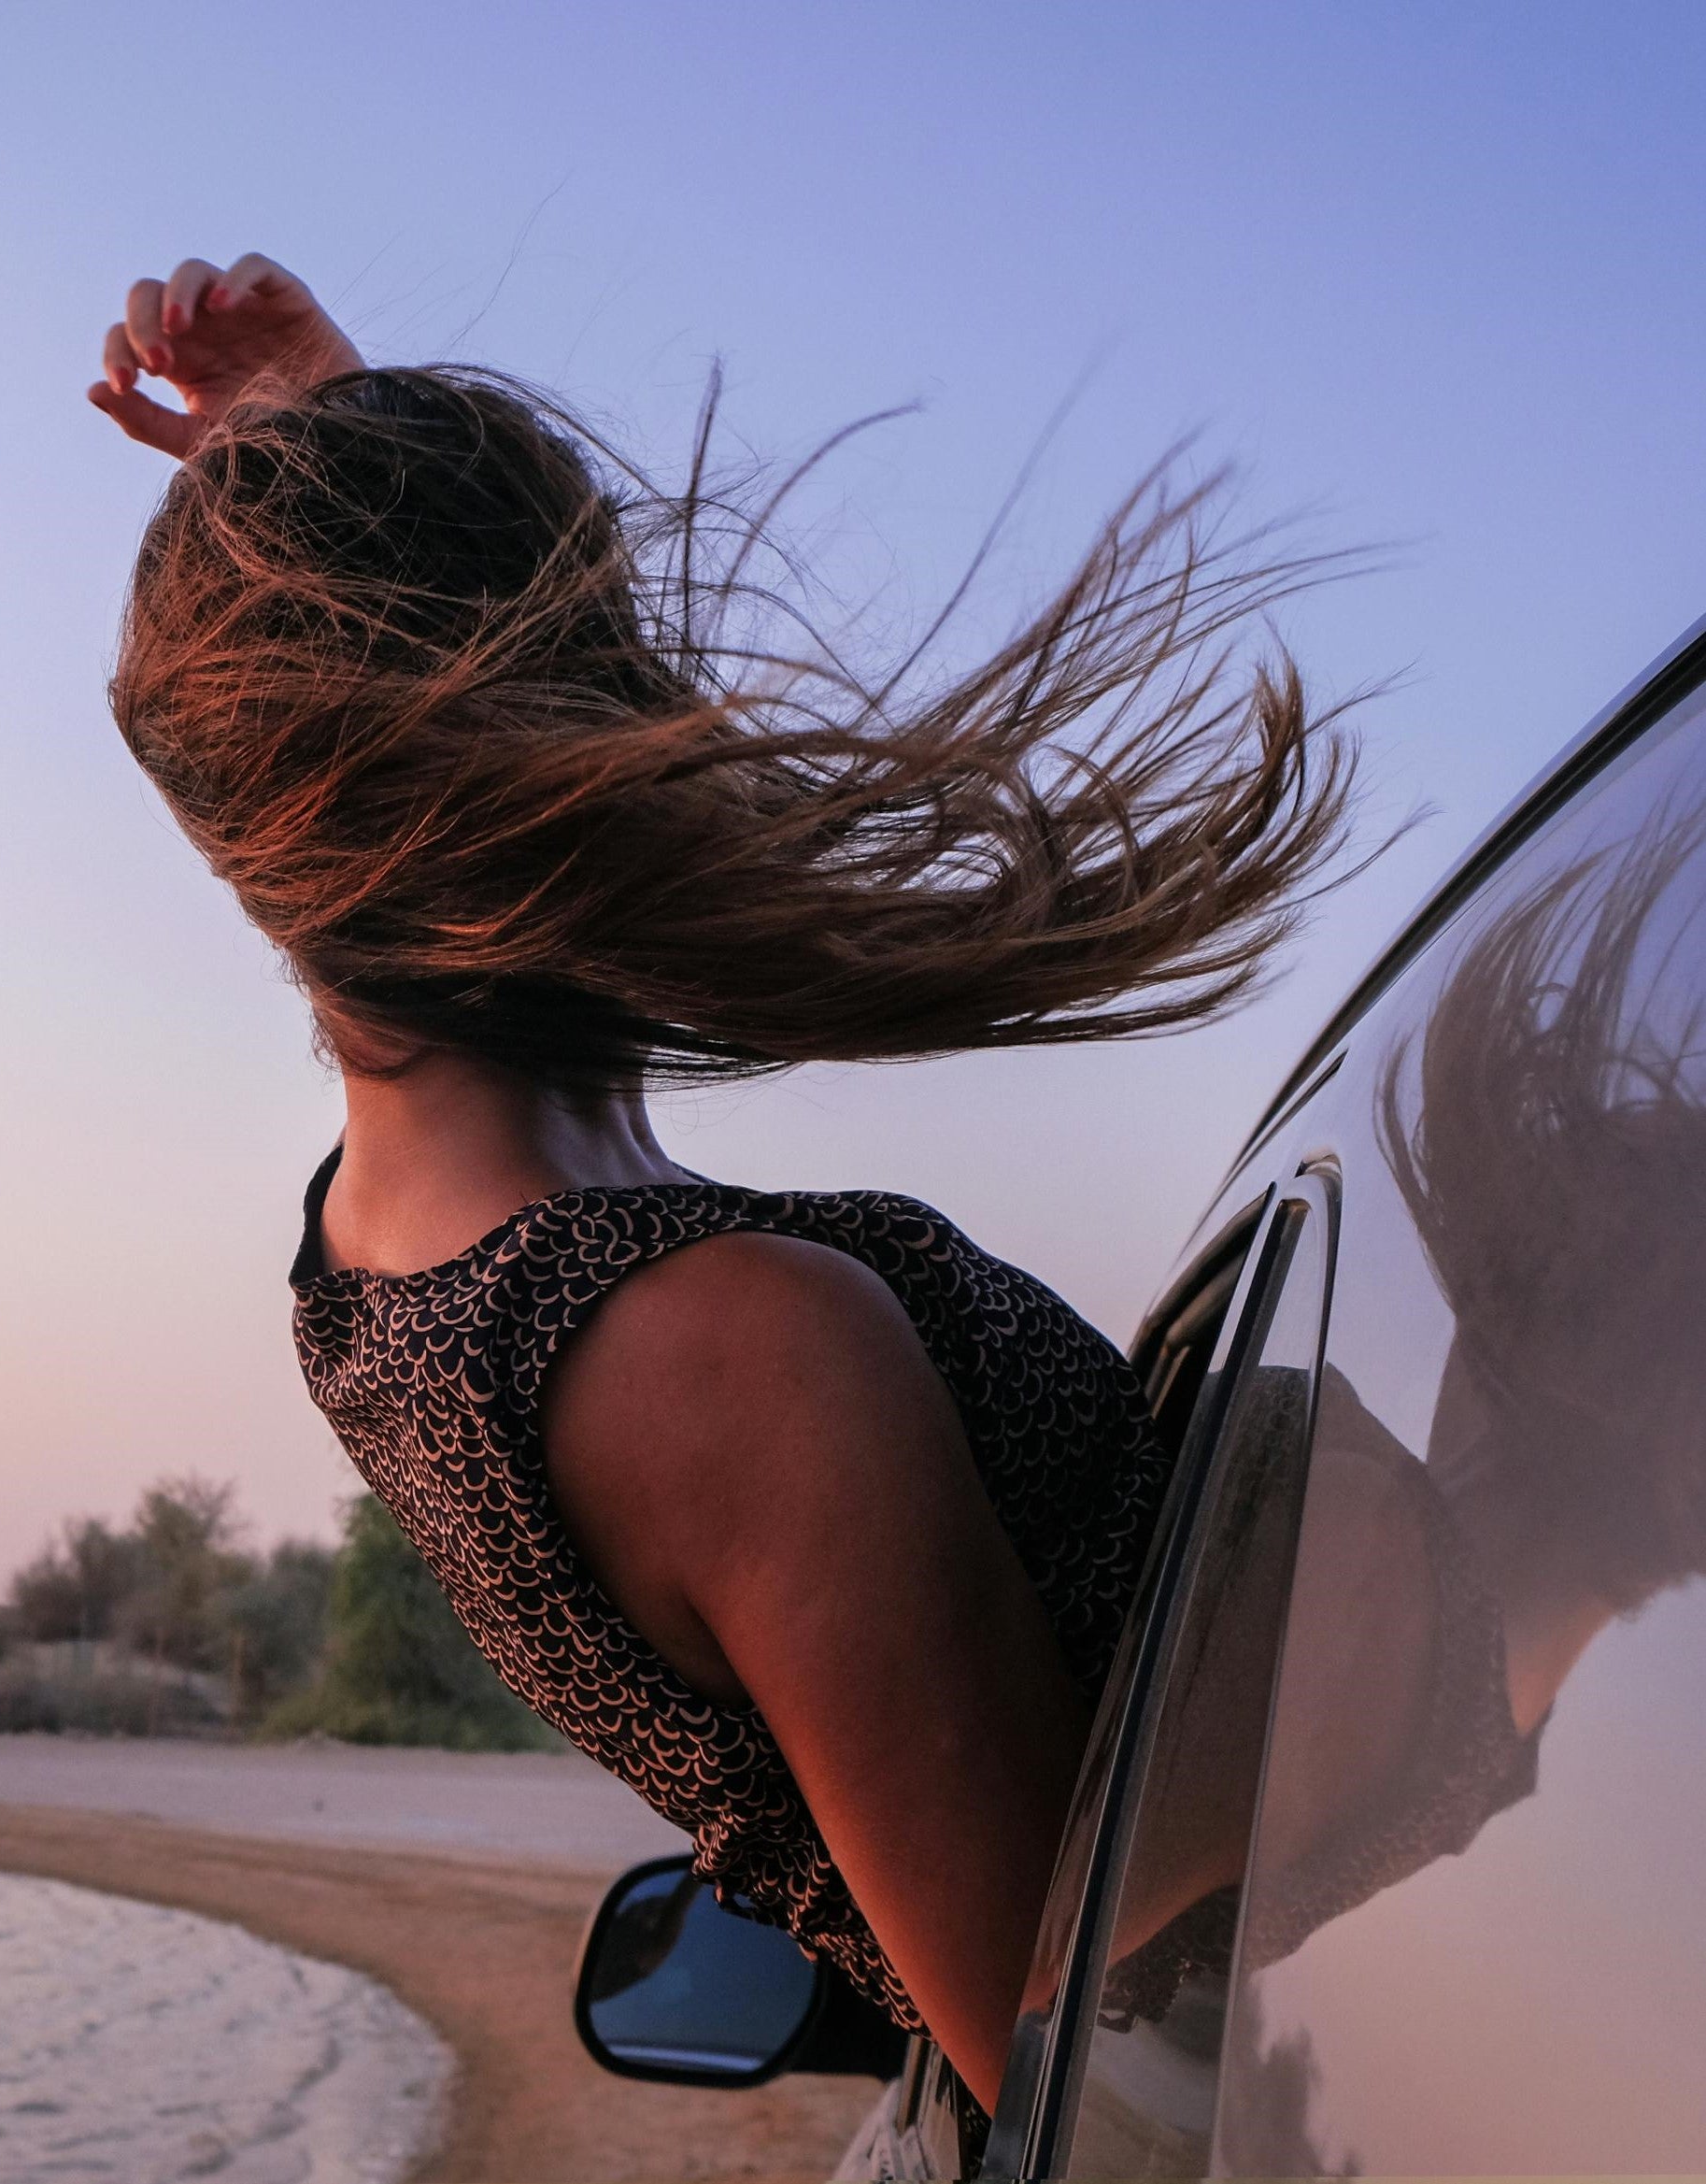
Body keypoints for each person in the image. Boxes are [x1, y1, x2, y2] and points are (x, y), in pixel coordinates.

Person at [87, 251, 1359, 2106]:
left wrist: (314, 453)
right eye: (607, 653)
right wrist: (1521, 1625)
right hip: (1479, 1924)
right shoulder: (723, 1349)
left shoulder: (373, 1280)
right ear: (557, 715)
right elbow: (1077, 2057)